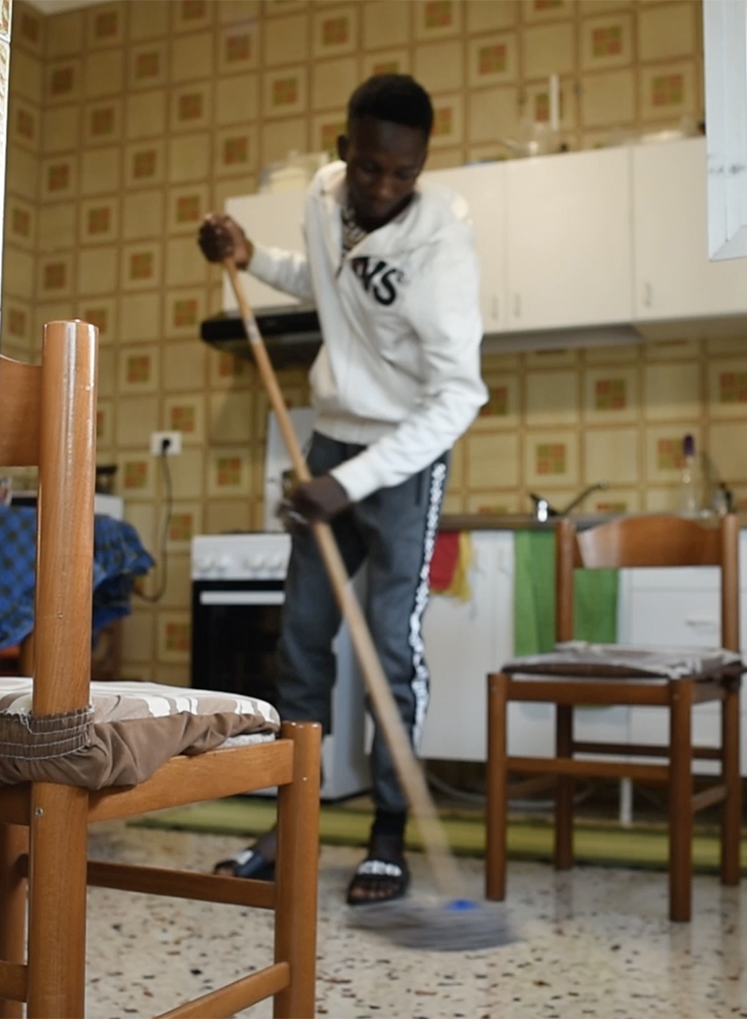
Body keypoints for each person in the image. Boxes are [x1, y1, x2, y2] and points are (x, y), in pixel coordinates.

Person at [197, 74, 486, 905]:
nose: (385, 187)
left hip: (403, 459)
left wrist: (347, 483)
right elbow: (327, 281)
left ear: (422, 164)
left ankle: (388, 833)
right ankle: (292, 823)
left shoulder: (441, 248)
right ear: (343, 151)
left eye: (404, 172)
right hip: (329, 439)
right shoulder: (323, 199)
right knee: (301, 642)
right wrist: (251, 259)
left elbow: (459, 396)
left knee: (391, 647)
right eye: (369, 167)